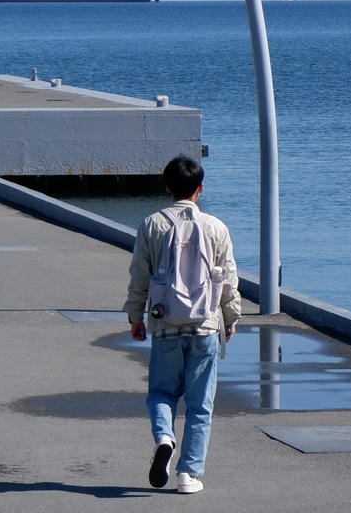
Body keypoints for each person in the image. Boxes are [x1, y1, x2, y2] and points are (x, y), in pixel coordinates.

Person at [126, 155, 240, 495]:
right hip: (205, 324)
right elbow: (229, 280)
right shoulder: (216, 227)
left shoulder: (152, 224)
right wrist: (230, 318)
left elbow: (139, 276)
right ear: (200, 189)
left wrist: (135, 316)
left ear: (166, 186)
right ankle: (189, 475)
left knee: (161, 392)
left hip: (165, 322)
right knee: (200, 403)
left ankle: (164, 437)